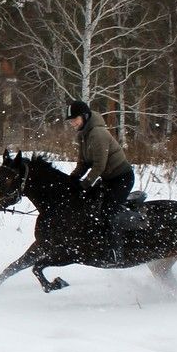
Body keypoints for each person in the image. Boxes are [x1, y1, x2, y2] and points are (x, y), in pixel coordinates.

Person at [65, 100, 134, 260]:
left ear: (85, 116)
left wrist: (85, 184)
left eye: (75, 119)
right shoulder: (83, 135)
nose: (73, 123)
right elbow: (82, 164)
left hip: (122, 177)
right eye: (71, 121)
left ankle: (116, 251)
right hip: (108, 179)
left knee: (108, 210)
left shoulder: (98, 134)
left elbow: (99, 166)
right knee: (90, 204)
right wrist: (69, 181)